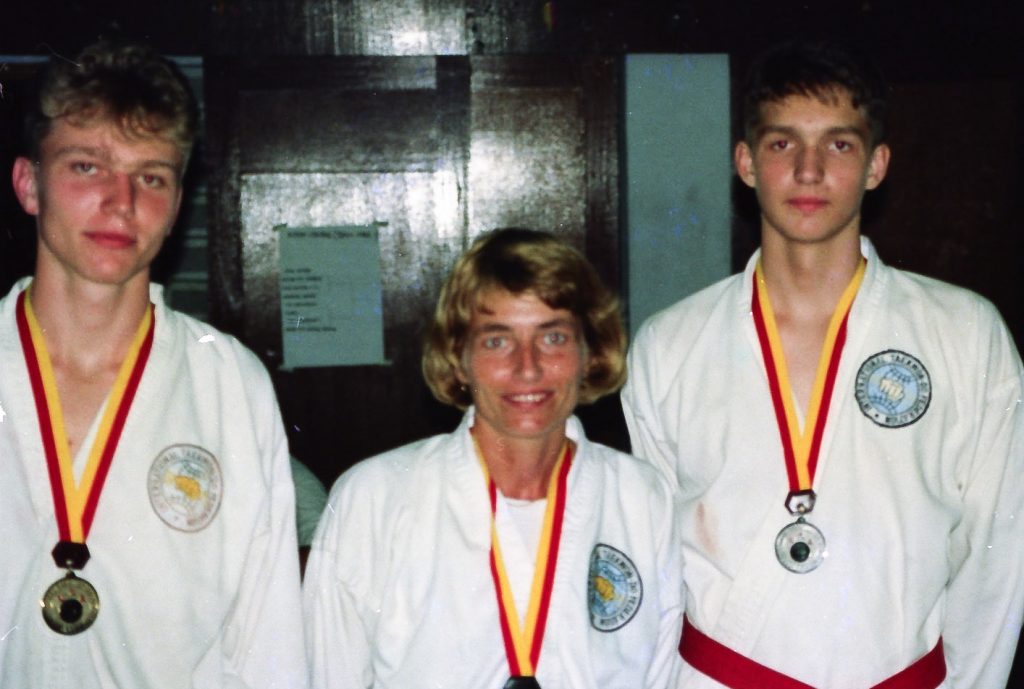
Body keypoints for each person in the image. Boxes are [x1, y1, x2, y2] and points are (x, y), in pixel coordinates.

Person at [622, 40, 1024, 688]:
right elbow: (653, 563)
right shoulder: (670, 344)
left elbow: (1001, 557)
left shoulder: (966, 333)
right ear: (746, 162)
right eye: (782, 143)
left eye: (838, 144)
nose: (808, 171)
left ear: (876, 164)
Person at [0, 39, 308, 688]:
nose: (122, 201)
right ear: (29, 184)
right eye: (87, 166)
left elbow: (269, 646)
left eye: (151, 177)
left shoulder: (229, 385)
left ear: (176, 205)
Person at [304, 228, 683, 688]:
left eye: (553, 337)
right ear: (458, 357)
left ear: (590, 353)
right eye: (497, 341)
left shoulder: (641, 498)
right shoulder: (375, 498)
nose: (528, 367)